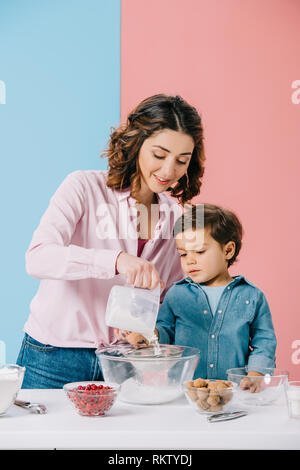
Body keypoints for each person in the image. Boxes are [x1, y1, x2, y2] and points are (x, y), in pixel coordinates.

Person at [16, 94, 206, 388]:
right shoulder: (83, 187)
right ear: (136, 142)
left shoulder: (174, 215)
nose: (169, 171)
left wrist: (150, 331)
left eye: (182, 160)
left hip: (124, 363)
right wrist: (115, 260)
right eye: (159, 155)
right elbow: (39, 257)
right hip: (53, 358)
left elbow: (169, 295)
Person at [122, 204, 277, 386]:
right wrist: (146, 334)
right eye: (183, 254)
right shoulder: (176, 294)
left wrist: (255, 375)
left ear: (228, 250)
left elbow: (264, 342)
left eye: (200, 252)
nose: (190, 260)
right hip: (185, 391)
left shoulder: (252, 296)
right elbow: (165, 332)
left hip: (234, 391)